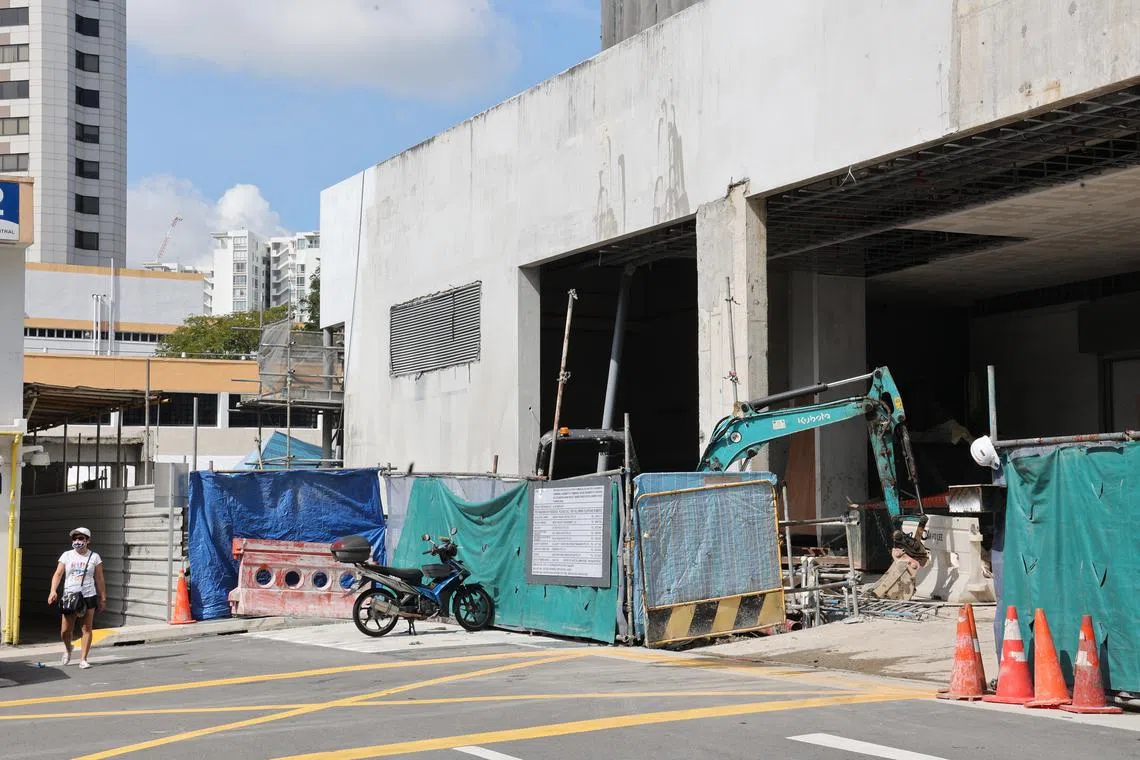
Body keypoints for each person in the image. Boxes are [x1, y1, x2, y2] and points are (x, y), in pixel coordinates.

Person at [47, 527, 106, 669]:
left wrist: (103, 597)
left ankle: (83, 659)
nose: (77, 541)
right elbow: (58, 574)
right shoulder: (67, 555)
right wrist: (53, 591)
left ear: (88, 540)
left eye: (81, 538)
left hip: (88, 595)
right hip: (70, 595)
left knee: (86, 628)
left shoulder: (94, 557)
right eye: (75, 538)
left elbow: (99, 578)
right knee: (65, 630)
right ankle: (68, 648)